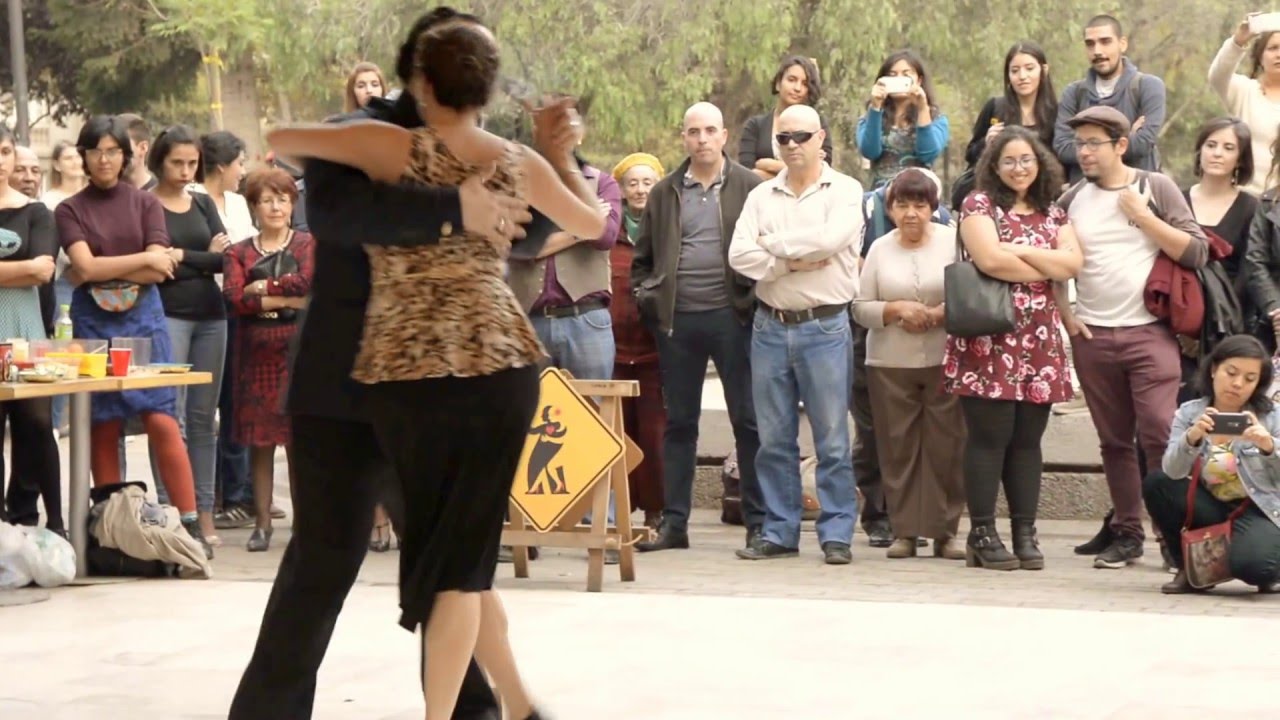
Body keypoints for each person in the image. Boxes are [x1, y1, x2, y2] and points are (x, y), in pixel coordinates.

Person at [265, 14, 605, 719]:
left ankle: (485, 708)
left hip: (430, 374)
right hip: (374, 380)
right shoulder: (385, 136)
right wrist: (460, 205)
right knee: (374, 563)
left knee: (455, 565)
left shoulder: (413, 147)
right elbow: (338, 219)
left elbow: (531, 232)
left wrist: (541, 159)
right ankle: (508, 705)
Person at [1057, 106, 1208, 570]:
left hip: (1150, 333)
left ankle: (1172, 533)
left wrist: (1143, 217)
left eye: (1093, 143)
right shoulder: (1071, 199)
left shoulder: (1153, 187)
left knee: (1161, 434)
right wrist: (1065, 311)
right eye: (1079, 143)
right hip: (1093, 333)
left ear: (1121, 145)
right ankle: (1126, 531)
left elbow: (1196, 250)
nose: (1084, 152)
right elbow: (1054, 259)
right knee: (1114, 442)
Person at [53, 115, 210, 557]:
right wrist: (140, 259)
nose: (104, 159)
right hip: (93, 325)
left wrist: (110, 266)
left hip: (145, 320)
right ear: (83, 156)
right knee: (102, 422)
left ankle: (190, 524)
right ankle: (109, 525)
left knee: (162, 419)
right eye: (95, 151)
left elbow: (161, 268)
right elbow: (82, 268)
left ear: (127, 155)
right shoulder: (69, 209)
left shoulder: (145, 204)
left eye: (112, 151)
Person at [728, 104, 862, 564]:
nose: (791, 146)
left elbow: (829, 242)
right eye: (783, 139)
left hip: (825, 326)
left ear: (821, 137)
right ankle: (780, 530)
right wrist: (790, 262)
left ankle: (837, 532)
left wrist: (772, 246)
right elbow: (738, 256)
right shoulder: (761, 196)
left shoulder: (845, 190)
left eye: (800, 137)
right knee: (773, 438)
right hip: (770, 326)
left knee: (831, 438)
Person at [945, 127, 1081, 570]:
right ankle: (982, 533)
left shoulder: (1054, 212)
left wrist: (1016, 249)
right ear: (994, 166)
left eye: (1026, 159)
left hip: (1040, 339)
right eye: (1009, 161)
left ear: (1039, 162)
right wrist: (1044, 263)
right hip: (990, 334)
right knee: (989, 438)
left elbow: (1073, 263)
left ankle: (1025, 531)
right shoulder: (978, 204)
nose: (1019, 168)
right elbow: (989, 261)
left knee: (1027, 441)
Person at [632, 102, 765, 553]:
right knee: (679, 425)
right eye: (694, 132)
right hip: (678, 323)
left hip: (734, 318)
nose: (702, 139)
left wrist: (750, 299)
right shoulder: (665, 192)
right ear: (683, 137)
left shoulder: (750, 186)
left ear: (725, 135)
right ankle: (675, 524)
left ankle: (759, 523)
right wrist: (648, 298)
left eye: (710, 130)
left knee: (747, 421)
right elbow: (642, 260)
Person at [853, 168, 965, 561]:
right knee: (896, 447)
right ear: (890, 208)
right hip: (888, 361)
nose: (912, 213)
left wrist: (938, 315)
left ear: (934, 207)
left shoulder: (954, 243)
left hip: (944, 358)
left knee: (946, 447)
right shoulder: (880, 248)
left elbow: (971, 296)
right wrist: (895, 309)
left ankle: (945, 532)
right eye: (903, 205)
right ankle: (905, 531)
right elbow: (860, 308)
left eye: (920, 204)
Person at [1144, 334, 1280, 594]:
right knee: (1157, 483)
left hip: (1260, 510)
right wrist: (1192, 438)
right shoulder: (1189, 413)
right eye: (1231, 372)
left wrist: (1269, 446)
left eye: (1249, 379)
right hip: (1211, 505)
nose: (1237, 384)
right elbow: (1173, 470)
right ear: (1214, 369)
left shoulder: (1271, 417)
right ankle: (1188, 567)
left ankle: (1265, 559)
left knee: (1255, 567)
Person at [147, 125, 231, 547]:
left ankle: (205, 512)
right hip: (167, 317)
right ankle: (170, 509)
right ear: (159, 160)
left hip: (212, 317)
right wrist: (200, 257)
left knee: (203, 420)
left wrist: (181, 256)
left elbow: (226, 260)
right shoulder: (145, 204)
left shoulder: (200, 202)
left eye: (192, 163)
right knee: (169, 417)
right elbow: (153, 262)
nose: (185, 170)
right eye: (176, 162)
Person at [223, 168, 314, 552]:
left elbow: (310, 283)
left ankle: (304, 526)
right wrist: (288, 299)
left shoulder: (309, 245)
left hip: (298, 353)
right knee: (259, 444)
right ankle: (261, 523)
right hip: (254, 354)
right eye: (266, 200)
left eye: (283, 198)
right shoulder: (237, 251)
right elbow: (235, 298)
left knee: (299, 444)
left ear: (293, 203)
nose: (275, 207)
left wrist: (268, 288)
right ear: (253, 207)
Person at [0, 126, 63, 536]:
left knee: (37, 426)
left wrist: (21, 272)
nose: (0, 159)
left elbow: (43, 269)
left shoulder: (36, 213)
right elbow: (30, 267)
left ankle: (53, 523)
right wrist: (18, 271)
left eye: (4, 150)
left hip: (25, 329)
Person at [610, 152, 666, 527]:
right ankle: (616, 513)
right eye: (632, 182)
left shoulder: (666, 228)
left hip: (655, 349)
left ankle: (657, 512)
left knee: (655, 435)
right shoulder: (608, 231)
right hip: (612, 349)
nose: (640, 189)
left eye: (648, 182)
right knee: (616, 435)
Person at [1053, 14, 1167, 183]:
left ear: (1122, 44)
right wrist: (1126, 138)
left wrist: (1086, 146)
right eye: (1090, 44)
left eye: (1105, 41)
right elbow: (1062, 148)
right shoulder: (1074, 93)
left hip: (1135, 197)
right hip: (1087, 199)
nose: (1097, 51)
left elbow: (1143, 144)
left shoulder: (1148, 86)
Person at [1207, 12, 1280, 196]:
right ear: (1260, 56)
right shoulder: (1244, 91)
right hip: (1245, 199)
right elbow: (1217, 76)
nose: (1279, 54)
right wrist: (1238, 40)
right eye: (1273, 48)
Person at [856, 49, 950, 190]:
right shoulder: (869, 117)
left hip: (920, 195)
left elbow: (927, 154)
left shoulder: (936, 118)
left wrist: (923, 108)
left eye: (906, 74)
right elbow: (870, 152)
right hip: (880, 195)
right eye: (892, 75)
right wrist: (875, 108)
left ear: (919, 80)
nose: (899, 79)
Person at [739, 55, 834, 180]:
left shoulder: (818, 124)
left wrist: (769, 165)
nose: (797, 88)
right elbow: (746, 175)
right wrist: (798, 168)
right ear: (778, 84)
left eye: (805, 84)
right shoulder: (755, 126)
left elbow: (820, 172)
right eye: (792, 80)